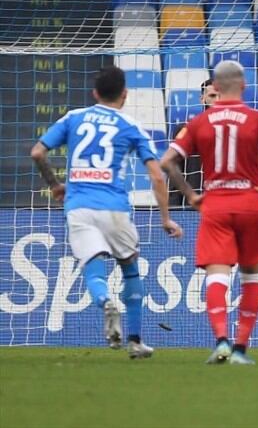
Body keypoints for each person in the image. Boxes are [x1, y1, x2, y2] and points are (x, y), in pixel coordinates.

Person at [30, 65, 183, 359]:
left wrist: (55, 184)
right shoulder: (130, 126)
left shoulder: (73, 118)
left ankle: (104, 301)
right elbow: (156, 175)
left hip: (79, 207)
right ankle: (135, 341)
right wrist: (165, 217)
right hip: (115, 208)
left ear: (95, 93)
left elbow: (37, 152)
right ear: (124, 94)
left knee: (92, 264)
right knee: (129, 267)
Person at [160, 61, 258, 365]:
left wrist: (191, 195)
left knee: (217, 277)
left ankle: (221, 340)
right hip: (251, 204)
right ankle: (240, 349)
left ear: (216, 88)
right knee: (252, 277)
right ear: (245, 86)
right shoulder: (257, 118)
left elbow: (167, 161)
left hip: (216, 205)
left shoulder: (199, 122)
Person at [169, 78, 219, 207]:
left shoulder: (236, 131)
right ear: (202, 99)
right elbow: (175, 174)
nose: (218, 100)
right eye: (213, 96)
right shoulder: (186, 130)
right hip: (193, 206)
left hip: (224, 203)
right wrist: (173, 208)